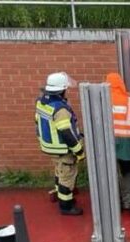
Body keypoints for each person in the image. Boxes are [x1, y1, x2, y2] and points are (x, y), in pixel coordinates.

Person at [35, 71, 85, 215]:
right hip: (63, 149)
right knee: (67, 176)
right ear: (61, 90)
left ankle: (59, 195)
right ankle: (66, 206)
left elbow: (37, 122)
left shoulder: (42, 102)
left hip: (50, 147)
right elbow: (66, 133)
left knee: (59, 171)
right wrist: (79, 151)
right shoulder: (60, 109)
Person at [107, 72, 130, 212]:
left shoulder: (103, 100)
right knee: (129, 172)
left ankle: (112, 201)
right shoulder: (129, 101)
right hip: (126, 142)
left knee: (109, 172)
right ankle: (128, 200)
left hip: (106, 141)